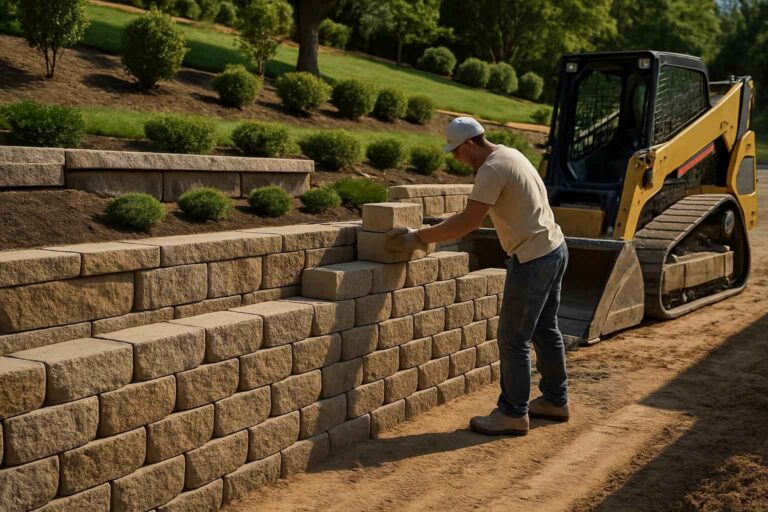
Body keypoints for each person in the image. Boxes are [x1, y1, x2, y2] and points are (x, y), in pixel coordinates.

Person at [385, 117, 570, 436]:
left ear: (469, 144)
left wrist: (418, 237)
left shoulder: (492, 169)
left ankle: (513, 414)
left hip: (533, 259)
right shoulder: (510, 154)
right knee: (545, 329)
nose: (456, 159)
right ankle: (555, 400)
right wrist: (436, 226)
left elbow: (469, 222)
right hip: (554, 248)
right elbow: (472, 212)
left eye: (456, 152)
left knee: (513, 338)